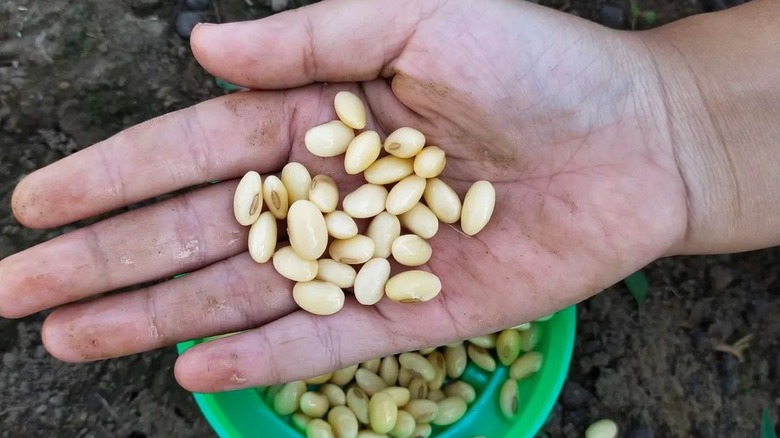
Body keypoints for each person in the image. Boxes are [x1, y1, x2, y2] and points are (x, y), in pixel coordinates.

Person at [0, 0, 778, 394]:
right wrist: (672, 110)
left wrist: (669, 115)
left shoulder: (384, 198)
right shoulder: (366, 201)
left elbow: (369, 245)